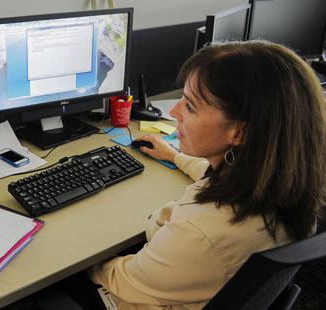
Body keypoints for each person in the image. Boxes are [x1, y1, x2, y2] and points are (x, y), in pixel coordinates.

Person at [87, 41, 326, 310]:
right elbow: (217, 174)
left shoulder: (202, 231)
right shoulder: (286, 180)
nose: (175, 112)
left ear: (240, 133)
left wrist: (84, 260)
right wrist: (174, 156)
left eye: (190, 106)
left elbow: (125, 279)